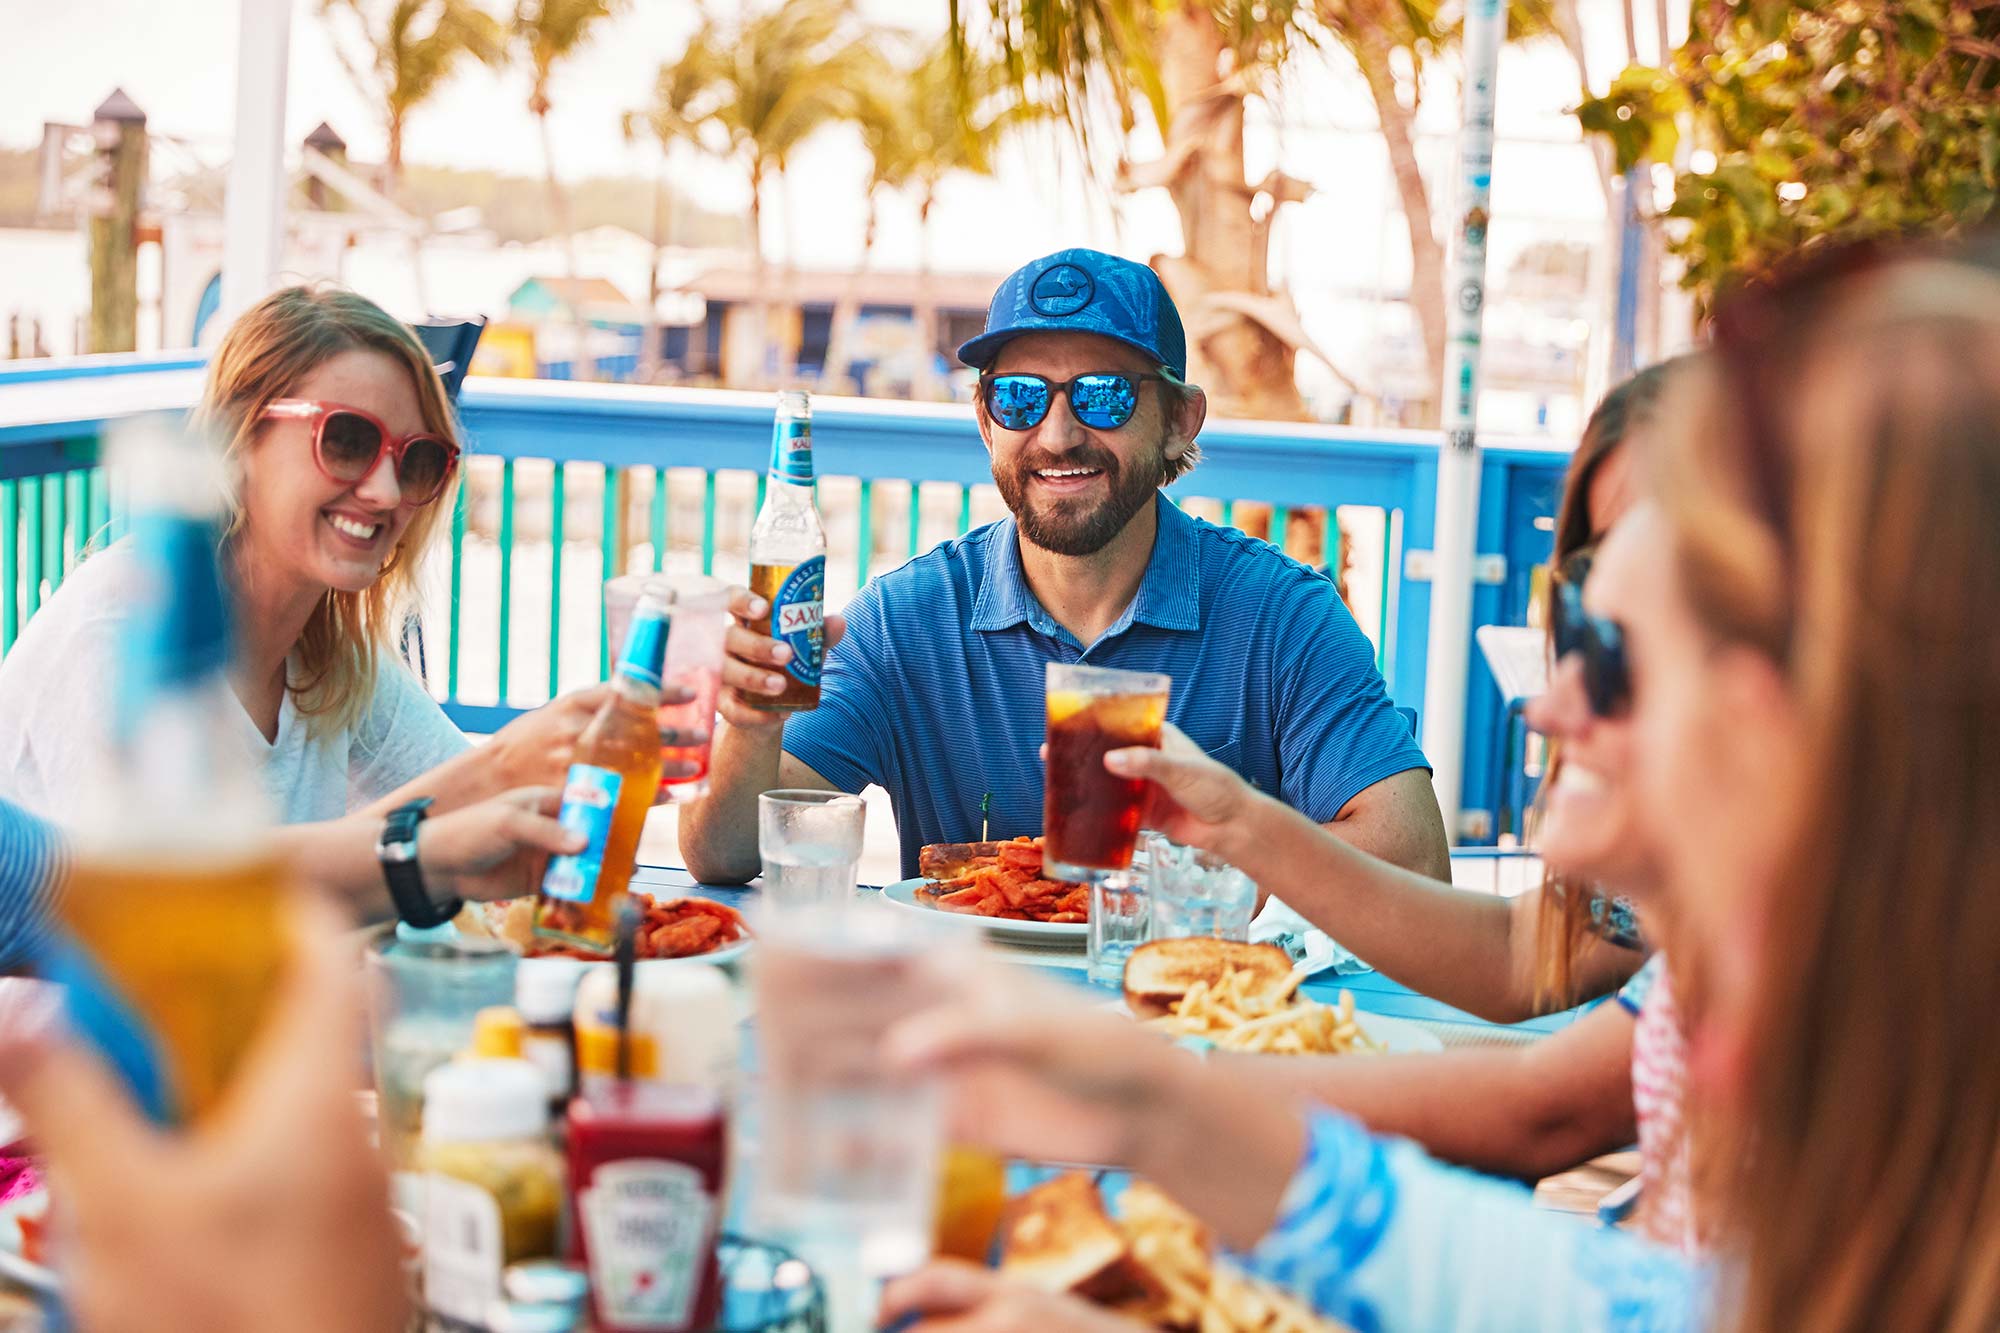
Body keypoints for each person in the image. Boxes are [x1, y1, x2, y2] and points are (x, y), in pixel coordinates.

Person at [883, 236, 2000, 1330]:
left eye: (1611, 652)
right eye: (1575, 606)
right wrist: (1142, 1096)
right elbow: (1562, 1168)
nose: (1544, 703)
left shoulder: (1893, 1103)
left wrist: (1144, 1108)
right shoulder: (1784, 973)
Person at [683, 248, 1446, 884]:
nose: (1056, 433)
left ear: (1179, 420)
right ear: (986, 422)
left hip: (1195, 1032)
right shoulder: (906, 621)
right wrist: (749, 725)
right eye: (1018, 397)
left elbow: (1416, 857)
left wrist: (1223, 844)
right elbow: (724, 852)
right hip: (975, 1030)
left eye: (1105, 395)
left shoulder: (1284, 617)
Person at [0, 286, 689, 830]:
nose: (388, 491)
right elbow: (171, 920)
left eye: (418, 461)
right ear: (239, 438)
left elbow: (477, 797)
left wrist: (623, 749)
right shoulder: (120, 641)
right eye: (348, 439)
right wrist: (502, 770)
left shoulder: (329, 660)